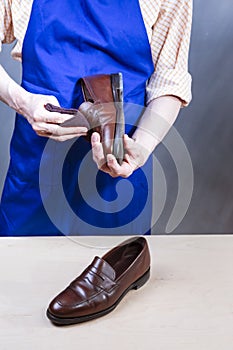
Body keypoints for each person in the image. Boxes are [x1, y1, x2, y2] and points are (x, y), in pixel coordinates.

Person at [0, 0, 193, 236]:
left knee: (116, 270)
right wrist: (22, 102)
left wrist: (142, 146)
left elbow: (170, 79)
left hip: (119, 173)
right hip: (36, 168)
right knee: (23, 269)